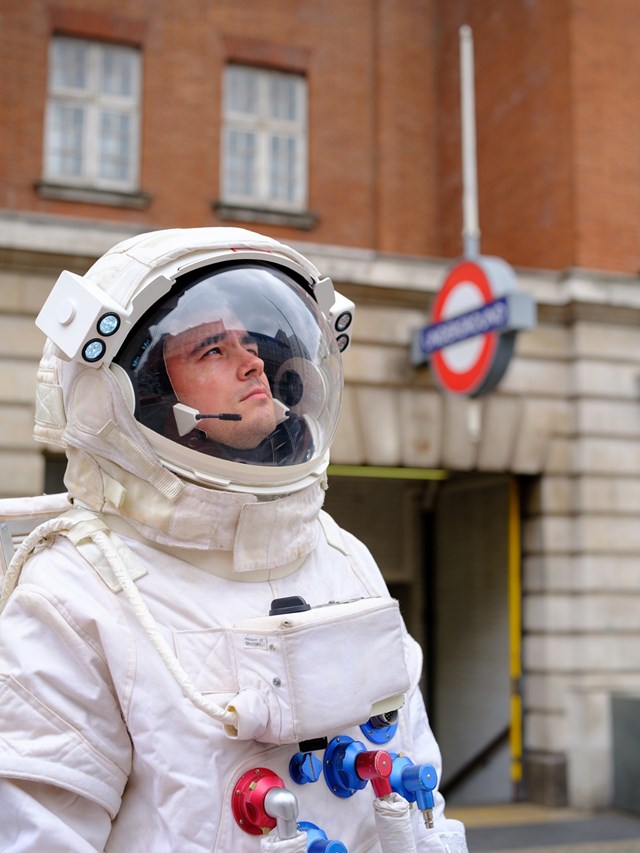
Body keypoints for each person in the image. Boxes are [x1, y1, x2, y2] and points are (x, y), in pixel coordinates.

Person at [0, 227, 468, 852]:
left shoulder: (341, 557)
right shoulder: (76, 591)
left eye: (250, 343)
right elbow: (37, 835)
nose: (254, 363)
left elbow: (421, 800)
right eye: (211, 351)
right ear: (147, 392)